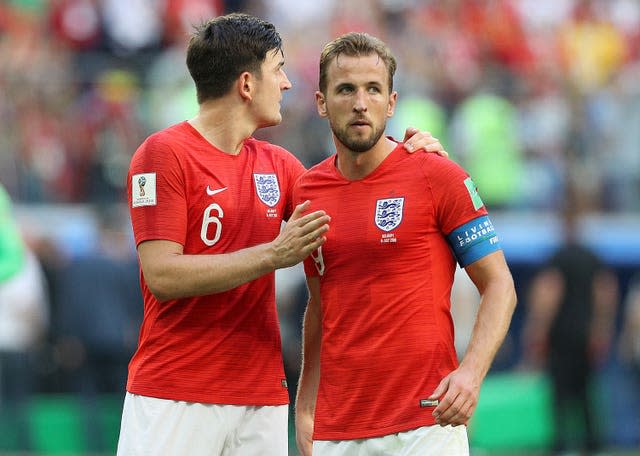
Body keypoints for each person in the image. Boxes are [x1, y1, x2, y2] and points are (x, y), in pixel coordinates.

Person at [117, 13, 447, 456]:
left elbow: (352, 201)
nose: (287, 84)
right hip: (175, 390)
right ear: (247, 84)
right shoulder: (162, 154)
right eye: (279, 70)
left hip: (262, 398)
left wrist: (413, 162)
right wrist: (272, 254)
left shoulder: (282, 167)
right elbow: (162, 275)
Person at [293, 32, 517, 456]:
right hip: (338, 431)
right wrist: (306, 406)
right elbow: (320, 306)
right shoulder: (305, 192)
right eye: (346, 89)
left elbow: (499, 285)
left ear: (391, 102)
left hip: (426, 424)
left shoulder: (438, 175)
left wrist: (470, 374)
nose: (361, 102)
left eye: (373, 89)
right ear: (321, 102)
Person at [522, 202, 618, 455]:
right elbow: (606, 292)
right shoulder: (592, 257)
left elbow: (549, 293)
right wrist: (601, 328)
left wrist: (538, 329)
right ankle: (592, 444)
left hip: (561, 336)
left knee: (559, 394)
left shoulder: (558, 257)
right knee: (586, 392)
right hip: (586, 335)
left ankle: (560, 444)